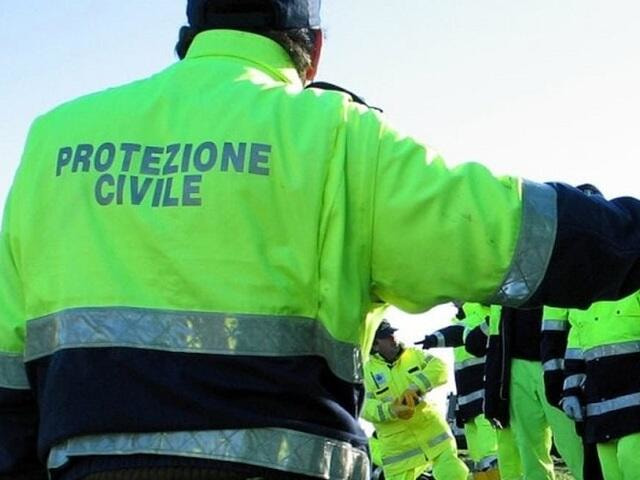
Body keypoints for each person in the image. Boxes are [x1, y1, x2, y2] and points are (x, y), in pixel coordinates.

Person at [2, 0, 640, 478]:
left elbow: (8, 378)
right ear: (314, 51)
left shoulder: (54, 140)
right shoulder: (335, 137)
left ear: (189, 37)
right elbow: (524, 234)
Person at [483, 305, 585, 480]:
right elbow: (495, 342)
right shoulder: (500, 293)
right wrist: (493, 393)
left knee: (573, 442)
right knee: (528, 448)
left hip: (558, 367)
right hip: (516, 369)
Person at [361, 321, 469, 480]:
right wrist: (391, 409)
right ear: (375, 345)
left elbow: (439, 367)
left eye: (392, 333)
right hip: (399, 450)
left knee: (453, 473)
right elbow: (364, 407)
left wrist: (416, 387)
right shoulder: (366, 373)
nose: (393, 338)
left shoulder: (414, 355)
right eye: (387, 336)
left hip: (434, 435)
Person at [560, 289, 640, 480]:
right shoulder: (580, 300)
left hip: (635, 410)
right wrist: (571, 392)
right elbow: (574, 354)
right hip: (600, 411)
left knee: (631, 464)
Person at [416, 303, 500, 479]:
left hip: (485, 400)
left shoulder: (480, 313)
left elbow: (458, 332)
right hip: (468, 403)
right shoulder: (461, 319)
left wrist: (434, 338)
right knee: (480, 460)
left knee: (492, 455)